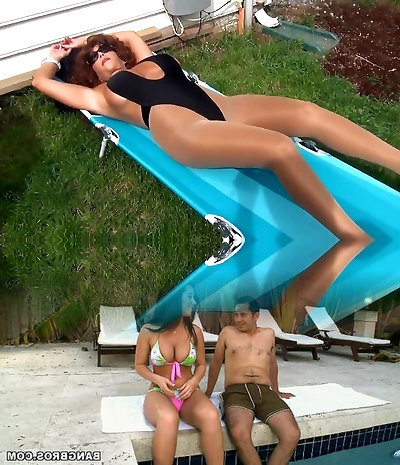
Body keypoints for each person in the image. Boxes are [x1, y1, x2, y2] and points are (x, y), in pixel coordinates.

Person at [32, 31, 400, 247]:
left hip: (223, 107)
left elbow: (127, 36)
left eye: (103, 50)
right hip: (182, 129)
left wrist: (89, 41)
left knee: (308, 113)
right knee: (279, 148)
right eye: (92, 59)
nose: (100, 56)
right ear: (88, 74)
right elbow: (41, 82)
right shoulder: (99, 96)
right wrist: (57, 56)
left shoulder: (144, 57)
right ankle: (352, 236)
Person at [135, 284, 224, 465]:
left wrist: (194, 382)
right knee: (169, 418)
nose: (194, 301)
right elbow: (139, 365)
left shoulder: (194, 332)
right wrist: (157, 379)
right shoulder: (149, 331)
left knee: (211, 416)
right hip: (159, 393)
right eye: (189, 297)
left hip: (188, 393)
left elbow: (201, 365)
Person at [205, 296, 300, 465]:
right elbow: (216, 363)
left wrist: (276, 390)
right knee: (240, 434)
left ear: (256, 316)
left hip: (264, 391)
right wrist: (208, 393)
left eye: (243, 314)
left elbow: (272, 364)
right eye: (236, 315)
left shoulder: (268, 334)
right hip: (236, 391)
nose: (238, 319)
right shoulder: (227, 333)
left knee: (292, 435)